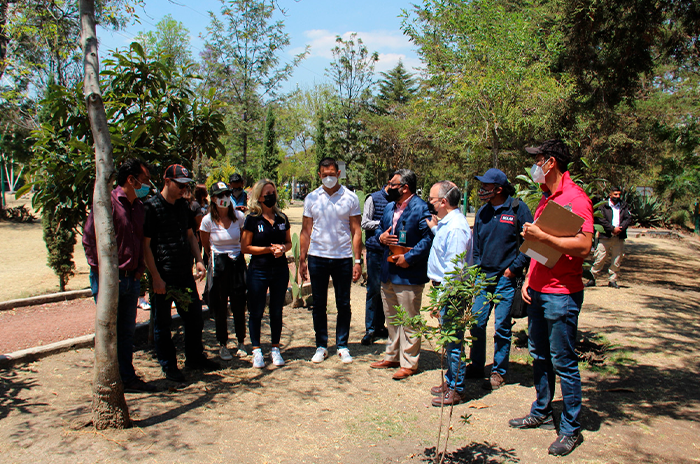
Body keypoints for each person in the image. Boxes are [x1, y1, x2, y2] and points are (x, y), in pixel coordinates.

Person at [508, 139, 593, 457]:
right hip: (539, 290)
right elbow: (539, 248)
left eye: (538, 160)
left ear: (551, 162)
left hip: (562, 294)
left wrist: (543, 235)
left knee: (564, 361)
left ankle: (571, 429)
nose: (534, 166)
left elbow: (583, 247)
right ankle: (542, 410)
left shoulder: (575, 199)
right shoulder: (547, 198)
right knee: (539, 355)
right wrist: (529, 278)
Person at [83, 158, 158, 393]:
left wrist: (138, 271)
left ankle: (127, 377)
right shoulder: (108, 203)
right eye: (144, 180)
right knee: (109, 332)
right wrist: (103, 274)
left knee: (127, 331)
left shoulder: (138, 207)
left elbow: (139, 242)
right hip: (109, 280)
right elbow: (89, 239)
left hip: (131, 279)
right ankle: (108, 379)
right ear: (131, 179)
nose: (147, 185)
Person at [143, 164, 219, 382]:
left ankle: (195, 358)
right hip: (162, 277)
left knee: (194, 317)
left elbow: (190, 236)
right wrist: (156, 277)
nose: (184, 189)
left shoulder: (183, 207)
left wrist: (198, 260)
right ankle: (169, 366)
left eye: (186, 185)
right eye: (180, 185)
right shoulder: (151, 208)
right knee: (163, 323)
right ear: (167, 182)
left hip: (183, 275)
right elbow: (145, 246)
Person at [470, 168, 533, 391]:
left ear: (498, 189)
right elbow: (476, 245)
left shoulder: (517, 209)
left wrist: (514, 269)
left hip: (507, 279)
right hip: (483, 278)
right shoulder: (482, 212)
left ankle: (499, 371)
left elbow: (531, 243)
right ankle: (476, 366)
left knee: (502, 326)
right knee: (476, 323)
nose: (481, 191)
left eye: (486, 187)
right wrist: (476, 269)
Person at [369, 169, 433, 380]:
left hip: (408, 273)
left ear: (405, 187)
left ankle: (409, 363)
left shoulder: (421, 208)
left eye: (393, 184)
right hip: (388, 272)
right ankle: (393, 356)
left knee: (409, 320)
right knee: (393, 318)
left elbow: (428, 239)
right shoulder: (389, 207)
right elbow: (380, 230)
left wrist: (409, 257)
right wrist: (381, 239)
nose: (388, 187)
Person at [299, 157, 363, 364]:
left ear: (338, 174)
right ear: (319, 175)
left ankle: (342, 345)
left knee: (343, 303)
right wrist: (302, 259)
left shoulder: (351, 198)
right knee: (319, 304)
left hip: (343, 258)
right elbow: (306, 230)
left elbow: (356, 230)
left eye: (332, 174)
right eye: (324, 174)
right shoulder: (311, 198)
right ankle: (321, 345)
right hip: (317, 257)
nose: (328, 178)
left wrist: (357, 260)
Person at [425, 181, 473, 405]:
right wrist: (435, 228)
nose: (430, 203)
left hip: (451, 292)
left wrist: (442, 298)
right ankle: (451, 379)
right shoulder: (448, 223)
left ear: (443, 202)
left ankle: (457, 388)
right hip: (443, 289)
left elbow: (455, 270)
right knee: (449, 340)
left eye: (433, 199)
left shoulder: (456, 228)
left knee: (454, 342)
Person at [241, 179, 292, 368]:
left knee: (276, 310)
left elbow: (289, 242)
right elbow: (245, 247)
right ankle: (256, 350)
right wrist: (267, 250)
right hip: (258, 270)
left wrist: (282, 248)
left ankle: (275, 348)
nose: (271, 196)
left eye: (273, 192)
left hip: (279, 270)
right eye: (267, 193)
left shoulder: (282, 218)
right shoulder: (252, 219)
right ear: (259, 197)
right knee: (256, 311)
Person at [199, 181, 247, 361]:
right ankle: (223, 344)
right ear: (213, 198)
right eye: (220, 195)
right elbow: (205, 243)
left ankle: (241, 341)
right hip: (219, 265)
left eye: (227, 194)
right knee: (220, 305)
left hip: (237, 263)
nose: (224, 199)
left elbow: (242, 239)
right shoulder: (207, 221)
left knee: (239, 304)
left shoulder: (239, 217)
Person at [360, 183, 390, 345]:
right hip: (375, 251)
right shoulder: (373, 198)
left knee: (386, 290)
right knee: (373, 290)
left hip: (391, 251)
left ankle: (380, 326)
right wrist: (384, 223)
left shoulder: (397, 199)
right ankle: (370, 329)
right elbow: (365, 223)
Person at [586, 186, 632, 289]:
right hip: (605, 236)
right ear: (610, 194)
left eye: (619, 194)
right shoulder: (603, 206)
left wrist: (620, 228)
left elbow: (628, 218)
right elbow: (600, 219)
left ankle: (612, 280)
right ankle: (592, 278)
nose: (618, 196)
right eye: (615, 194)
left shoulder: (624, 205)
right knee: (600, 258)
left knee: (617, 260)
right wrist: (612, 229)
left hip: (619, 237)